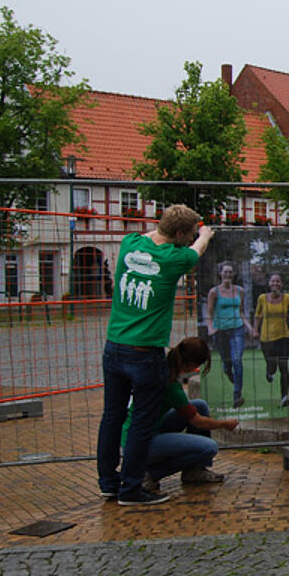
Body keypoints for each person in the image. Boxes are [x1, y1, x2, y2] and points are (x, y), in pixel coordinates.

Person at [97, 204, 214, 506]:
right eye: (186, 235)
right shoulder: (173, 258)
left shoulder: (130, 244)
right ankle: (132, 489)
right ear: (178, 235)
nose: (190, 240)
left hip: (114, 347)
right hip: (144, 352)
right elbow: (197, 250)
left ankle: (109, 483)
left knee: (112, 416)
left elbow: (153, 236)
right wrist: (204, 234)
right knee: (142, 424)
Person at [122, 337, 240, 495]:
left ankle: (195, 470)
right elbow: (198, 422)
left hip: (140, 431)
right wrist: (224, 424)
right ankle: (147, 473)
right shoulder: (170, 385)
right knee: (208, 447)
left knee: (199, 405)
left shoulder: (163, 368)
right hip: (141, 441)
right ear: (191, 364)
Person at [207, 260, 253, 408]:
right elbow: (209, 313)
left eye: (230, 272)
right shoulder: (214, 292)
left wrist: (250, 327)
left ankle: (237, 396)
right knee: (227, 363)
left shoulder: (239, 290)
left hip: (237, 329)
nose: (227, 274)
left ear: (233, 274)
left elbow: (241, 312)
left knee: (237, 361)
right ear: (220, 273)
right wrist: (210, 328)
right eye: (225, 271)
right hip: (220, 331)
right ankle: (228, 371)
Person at [252, 273, 289, 407]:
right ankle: (269, 372)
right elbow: (257, 315)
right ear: (269, 284)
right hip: (266, 339)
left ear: (281, 284)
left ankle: (284, 397)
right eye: (273, 281)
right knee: (272, 366)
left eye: (278, 282)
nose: (275, 284)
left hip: (283, 337)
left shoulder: (288, 298)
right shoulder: (262, 298)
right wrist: (255, 330)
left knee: (283, 367)